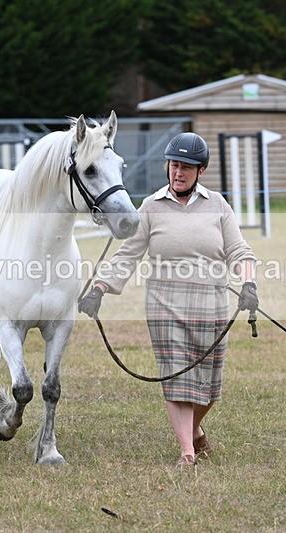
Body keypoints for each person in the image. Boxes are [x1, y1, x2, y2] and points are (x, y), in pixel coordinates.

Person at [78, 132, 259, 467]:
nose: (178, 172)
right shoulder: (151, 207)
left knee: (208, 386)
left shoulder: (218, 205)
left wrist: (249, 283)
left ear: (200, 171)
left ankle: (196, 431)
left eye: (187, 167)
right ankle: (187, 451)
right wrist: (99, 288)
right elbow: (127, 254)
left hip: (211, 303)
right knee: (177, 378)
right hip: (164, 304)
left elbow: (239, 250)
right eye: (174, 165)